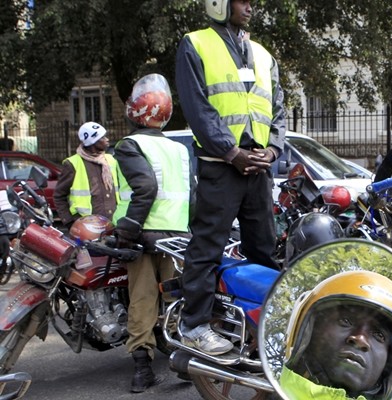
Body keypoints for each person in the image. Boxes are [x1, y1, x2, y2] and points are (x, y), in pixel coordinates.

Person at [175, 0, 285, 355]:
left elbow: (279, 108)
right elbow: (197, 107)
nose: (250, 7)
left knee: (263, 250)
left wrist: (273, 150)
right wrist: (231, 152)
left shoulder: (265, 55)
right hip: (221, 166)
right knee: (207, 247)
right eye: (243, 1)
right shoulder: (196, 44)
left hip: (258, 170)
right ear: (219, 4)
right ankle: (194, 325)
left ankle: (265, 325)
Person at [112, 73, 193, 393]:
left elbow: (144, 188)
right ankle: (185, 359)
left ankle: (142, 369)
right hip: (176, 236)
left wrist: (127, 231)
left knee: (143, 300)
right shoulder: (178, 149)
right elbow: (193, 194)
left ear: (136, 111)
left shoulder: (129, 145)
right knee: (175, 297)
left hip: (143, 236)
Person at [282, 270, 392, 400]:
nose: (360, 339)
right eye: (345, 321)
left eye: (379, 335)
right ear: (307, 330)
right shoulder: (262, 389)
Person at [54, 122, 118, 229]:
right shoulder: (72, 164)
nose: (107, 139)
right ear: (92, 142)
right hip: (87, 227)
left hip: (113, 223)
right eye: (102, 137)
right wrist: (70, 222)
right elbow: (59, 196)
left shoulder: (111, 160)